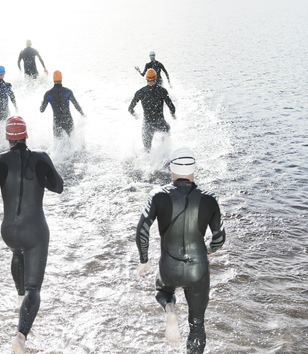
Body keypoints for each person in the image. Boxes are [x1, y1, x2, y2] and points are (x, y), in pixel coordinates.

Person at [0, 116, 63, 354]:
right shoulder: (41, 157)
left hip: (9, 231)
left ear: (7, 138)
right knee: (36, 287)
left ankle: (20, 300)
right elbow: (59, 186)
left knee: (17, 252)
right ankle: (21, 336)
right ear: (25, 137)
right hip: (35, 230)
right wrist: (40, 178)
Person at [135, 147, 226, 353]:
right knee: (197, 324)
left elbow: (142, 229)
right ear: (194, 168)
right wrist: (208, 251)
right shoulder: (210, 198)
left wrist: (144, 260)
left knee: (162, 291)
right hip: (198, 270)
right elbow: (220, 238)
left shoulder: (157, 195)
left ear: (171, 168)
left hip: (169, 267)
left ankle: (170, 310)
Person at [128, 68, 176, 152]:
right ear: (156, 78)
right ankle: (164, 150)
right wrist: (173, 114)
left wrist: (135, 115)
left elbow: (130, 109)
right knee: (167, 129)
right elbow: (171, 107)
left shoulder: (140, 92)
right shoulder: (162, 91)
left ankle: (146, 162)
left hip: (147, 124)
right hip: (160, 122)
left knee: (147, 150)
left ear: (146, 79)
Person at [40, 70, 85, 138]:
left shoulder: (48, 94)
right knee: (71, 140)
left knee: (58, 143)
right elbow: (76, 104)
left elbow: (42, 110)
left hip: (57, 121)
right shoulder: (68, 91)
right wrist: (82, 113)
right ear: (61, 79)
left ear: (53, 79)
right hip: (68, 119)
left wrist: (42, 103)